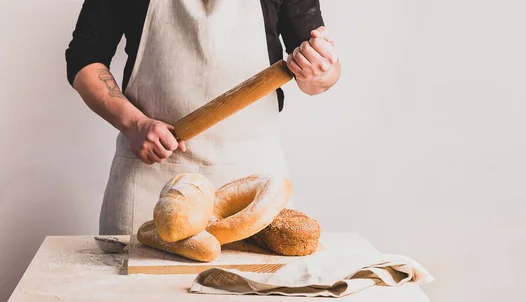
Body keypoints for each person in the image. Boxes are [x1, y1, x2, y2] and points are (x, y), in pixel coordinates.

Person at [65, 0, 341, 236]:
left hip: (252, 186)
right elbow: (84, 56)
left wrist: (322, 67)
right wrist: (132, 123)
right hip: (150, 178)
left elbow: (317, 79)